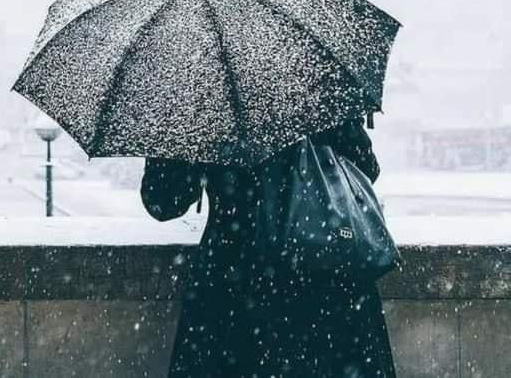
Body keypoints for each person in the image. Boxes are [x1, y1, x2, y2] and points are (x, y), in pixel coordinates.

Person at [141, 118, 397, 378]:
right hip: (327, 277)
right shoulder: (312, 84)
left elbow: (163, 200)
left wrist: (198, 155)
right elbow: (366, 166)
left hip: (237, 281)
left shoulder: (200, 96)